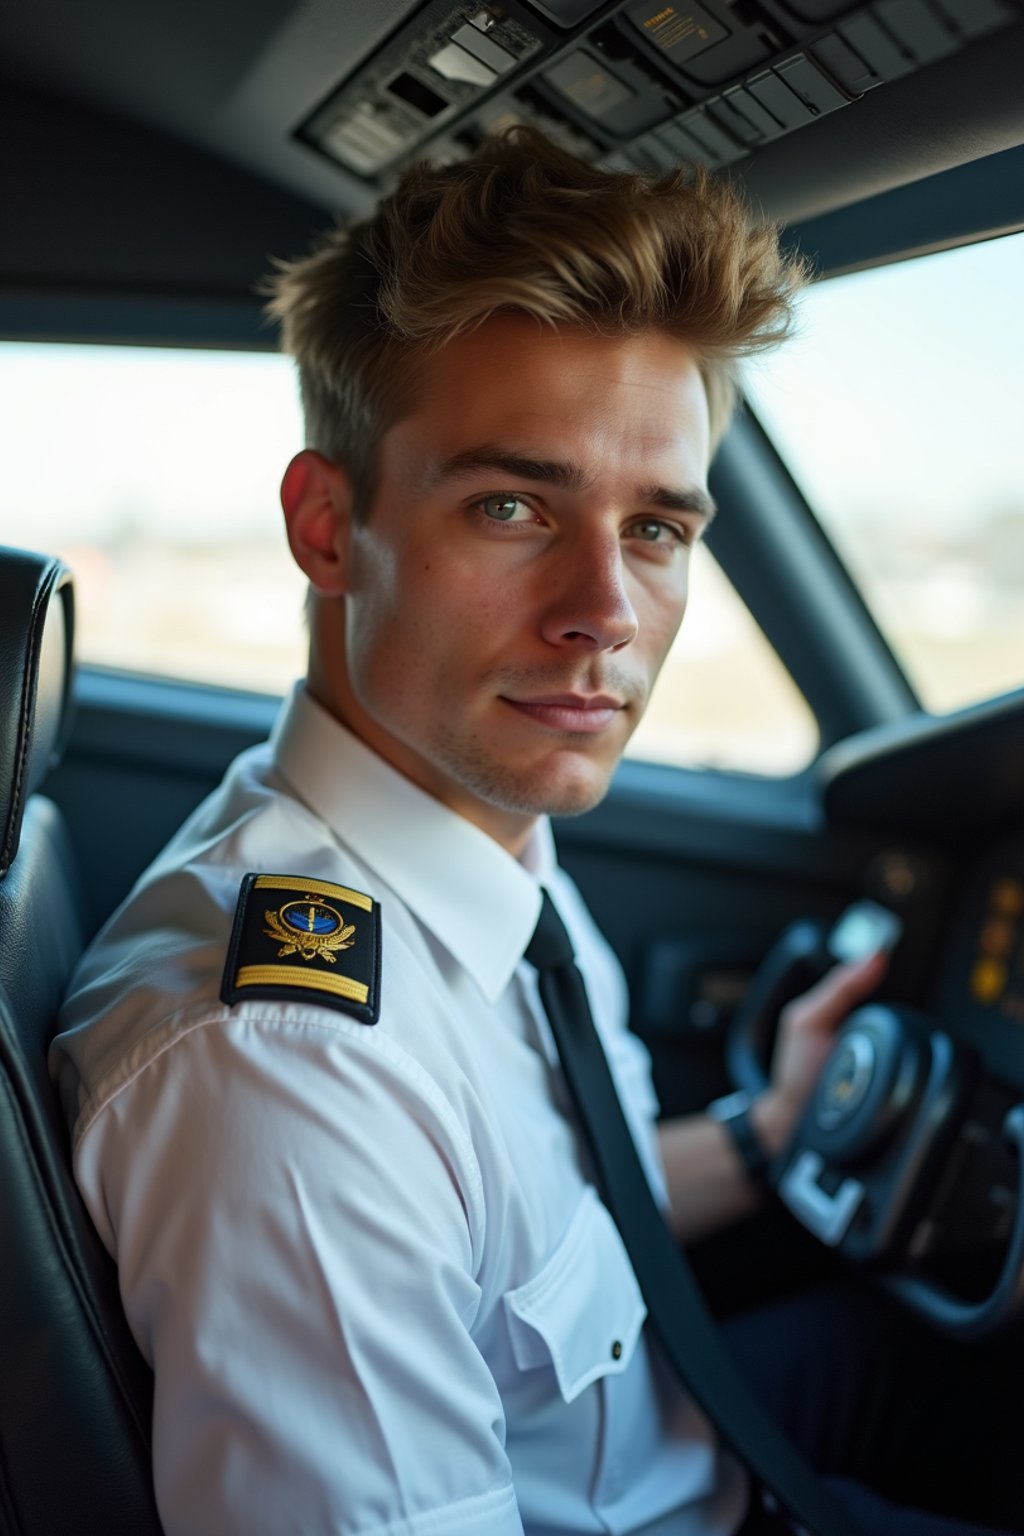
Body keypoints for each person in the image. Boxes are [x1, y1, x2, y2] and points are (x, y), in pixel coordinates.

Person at [50, 129, 1014, 1536]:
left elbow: (549, 1231)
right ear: (330, 527)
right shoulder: (296, 1075)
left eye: (657, 530)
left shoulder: (468, 841)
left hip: (683, 1436)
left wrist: (769, 1137)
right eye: (513, 506)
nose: (606, 613)